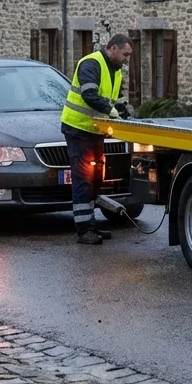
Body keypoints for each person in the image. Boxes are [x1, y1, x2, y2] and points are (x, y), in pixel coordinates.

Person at [59, 34, 134, 245]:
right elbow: (89, 95)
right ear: (112, 49)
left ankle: (90, 225)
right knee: (83, 178)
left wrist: (126, 115)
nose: (127, 59)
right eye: (125, 54)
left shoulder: (115, 71)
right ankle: (84, 230)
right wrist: (112, 111)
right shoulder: (91, 63)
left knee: (95, 179)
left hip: (95, 131)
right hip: (78, 130)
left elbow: (116, 100)